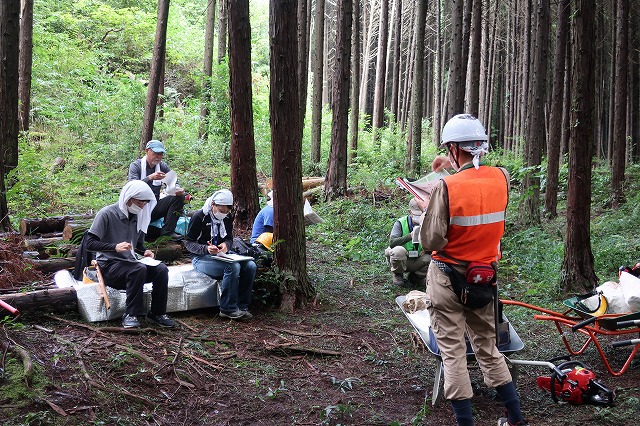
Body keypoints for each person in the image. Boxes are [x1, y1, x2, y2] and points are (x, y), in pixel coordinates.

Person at [419, 114, 528, 426]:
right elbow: (478, 195)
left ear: (454, 149)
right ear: (481, 146)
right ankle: (516, 418)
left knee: (452, 352)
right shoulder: (501, 178)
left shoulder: (446, 186)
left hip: (446, 277)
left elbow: (431, 240)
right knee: (489, 348)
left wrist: (432, 204)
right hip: (483, 277)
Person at [86, 180, 175, 329]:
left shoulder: (138, 216)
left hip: (130, 264)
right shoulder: (107, 214)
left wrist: (144, 251)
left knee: (161, 269)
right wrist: (114, 247)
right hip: (108, 267)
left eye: (144, 204)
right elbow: (89, 244)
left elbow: (137, 245)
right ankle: (131, 314)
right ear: (128, 198)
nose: (141, 207)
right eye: (140, 203)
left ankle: (158, 313)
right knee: (138, 269)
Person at [184, 189, 257, 320]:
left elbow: (229, 238)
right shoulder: (199, 217)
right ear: (213, 204)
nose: (224, 214)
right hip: (201, 258)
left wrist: (226, 245)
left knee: (250, 265)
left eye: (227, 211)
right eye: (221, 211)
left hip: (222, 256)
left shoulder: (227, 218)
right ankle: (228, 309)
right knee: (233, 267)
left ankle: (242, 306)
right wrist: (206, 249)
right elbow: (189, 243)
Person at [128, 140, 186, 239]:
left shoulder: (162, 166)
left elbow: (173, 180)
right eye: (155, 154)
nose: (158, 157)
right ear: (147, 151)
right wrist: (150, 178)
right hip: (137, 208)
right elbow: (132, 187)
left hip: (154, 206)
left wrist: (177, 188)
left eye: (161, 154)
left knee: (180, 197)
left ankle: (168, 232)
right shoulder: (136, 166)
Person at [384, 198, 430, 287]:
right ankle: (398, 274)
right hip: (402, 259)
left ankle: (416, 277)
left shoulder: (427, 224)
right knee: (398, 251)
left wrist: (427, 249)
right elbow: (392, 243)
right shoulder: (400, 223)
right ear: (410, 212)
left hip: (418, 258)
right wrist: (410, 236)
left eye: (421, 214)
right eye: (416, 214)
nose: (418, 217)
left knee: (430, 258)